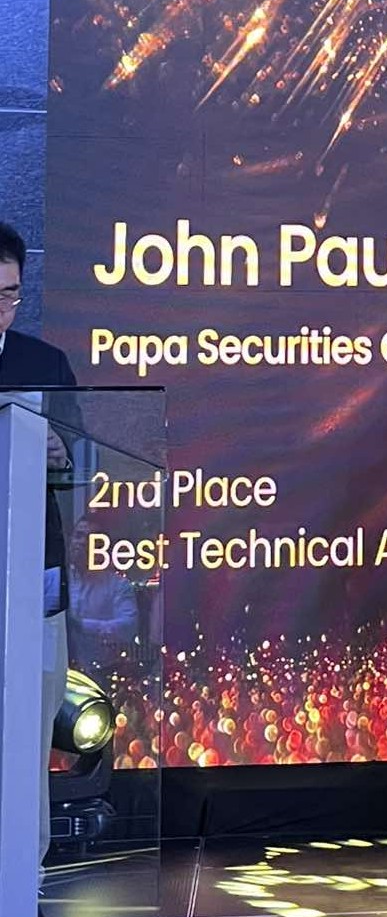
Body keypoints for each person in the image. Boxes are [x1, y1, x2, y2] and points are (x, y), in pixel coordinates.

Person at [0, 221, 77, 891]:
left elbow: (86, 461)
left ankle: (25, 869)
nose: (2, 308)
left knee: (30, 724)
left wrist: (62, 454)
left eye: (10, 294)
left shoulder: (44, 363)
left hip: (33, 575)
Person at [67, 515, 139, 674]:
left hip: (102, 672)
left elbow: (128, 626)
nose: (82, 542)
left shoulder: (117, 585)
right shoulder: (57, 581)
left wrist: (82, 625)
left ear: (102, 546)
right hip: (59, 671)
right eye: (78, 536)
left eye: (91, 539)